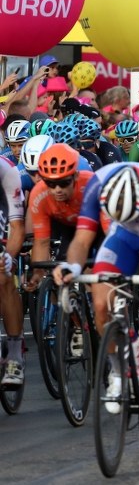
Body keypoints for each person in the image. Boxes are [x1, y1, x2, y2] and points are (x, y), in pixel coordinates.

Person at [53, 164, 139, 407]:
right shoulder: (97, 185)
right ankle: (117, 371)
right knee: (101, 302)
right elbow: (82, 241)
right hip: (121, 236)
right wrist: (72, 267)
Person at [22, 145, 98, 292]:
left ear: (75, 176)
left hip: (98, 226)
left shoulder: (92, 184)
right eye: (50, 183)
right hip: (69, 227)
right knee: (59, 281)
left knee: (97, 279)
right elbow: (42, 241)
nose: (58, 189)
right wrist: (38, 273)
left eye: (64, 183)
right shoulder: (39, 194)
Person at [0, 154, 26, 386]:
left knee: (3, 275)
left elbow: (17, 227)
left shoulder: (6, 170)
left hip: (3, 211)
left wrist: (9, 257)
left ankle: (15, 356)